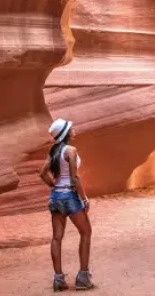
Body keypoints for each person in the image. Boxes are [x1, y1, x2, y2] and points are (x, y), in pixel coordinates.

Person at [39, 118, 94, 291]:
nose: (73, 129)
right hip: (70, 196)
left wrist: (54, 186)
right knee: (86, 232)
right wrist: (84, 199)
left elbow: (43, 173)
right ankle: (83, 277)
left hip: (55, 196)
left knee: (57, 237)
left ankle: (58, 279)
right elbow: (74, 178)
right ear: (66, 133)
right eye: (70, 127)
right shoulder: (70, 150)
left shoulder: (54, 151)